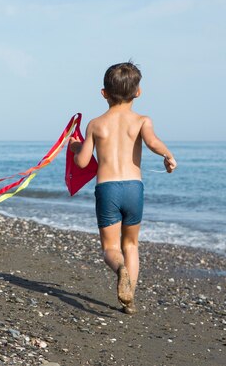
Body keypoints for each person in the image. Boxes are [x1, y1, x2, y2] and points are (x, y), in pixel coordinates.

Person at [69, 62, 177, 314]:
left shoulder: (96, 125)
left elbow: (82, 161)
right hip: (133, 189)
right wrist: (168, 155)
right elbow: (152, 142)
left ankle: (120, 270)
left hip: (107, 189)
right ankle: (129, 301)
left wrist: (76, 147)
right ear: (138, 92)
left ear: (104, 93)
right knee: (131, 245)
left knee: (110, 248)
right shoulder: (141, 121)